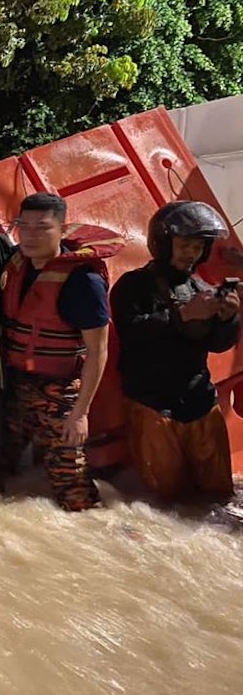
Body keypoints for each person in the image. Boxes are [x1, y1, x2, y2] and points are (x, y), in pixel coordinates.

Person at [0, 193, 118, 510]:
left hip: (60, 393)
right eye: (24, 226)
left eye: (42, 228)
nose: (30, 235)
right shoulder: (17, 263)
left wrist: (80, 414)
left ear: (62, 230)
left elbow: (98, 352)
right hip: (17, 385)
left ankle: (94, 539)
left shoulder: (83, 281)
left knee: (71, 481)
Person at [110, 201, 239, 507]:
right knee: (167, 504)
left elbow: (218, 346)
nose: (190, 253)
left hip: (201, 404)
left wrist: (229, 318)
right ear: (165, 242)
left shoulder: (202, 287)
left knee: (220, 499)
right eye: (184, 244)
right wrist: (182, 316)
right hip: (151, 406)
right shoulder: (133, 285)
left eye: (197, 246)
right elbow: (129, 332)